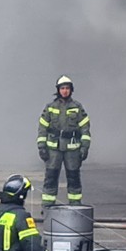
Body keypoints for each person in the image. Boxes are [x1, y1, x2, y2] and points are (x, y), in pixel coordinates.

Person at [37, 75, 91, 208]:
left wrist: (85, 147)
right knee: (51, 177)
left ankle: (75, 204)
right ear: (58, 90)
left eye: (67, 88)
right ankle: (48, 206)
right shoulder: (50, 107)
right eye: (62, 88)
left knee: (73, 177)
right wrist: (41, 147)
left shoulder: (77, 107)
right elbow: (42, 127)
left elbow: (85, 128)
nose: (65, 91)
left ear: (71, 90)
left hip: (72, 149)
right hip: (53, 149)